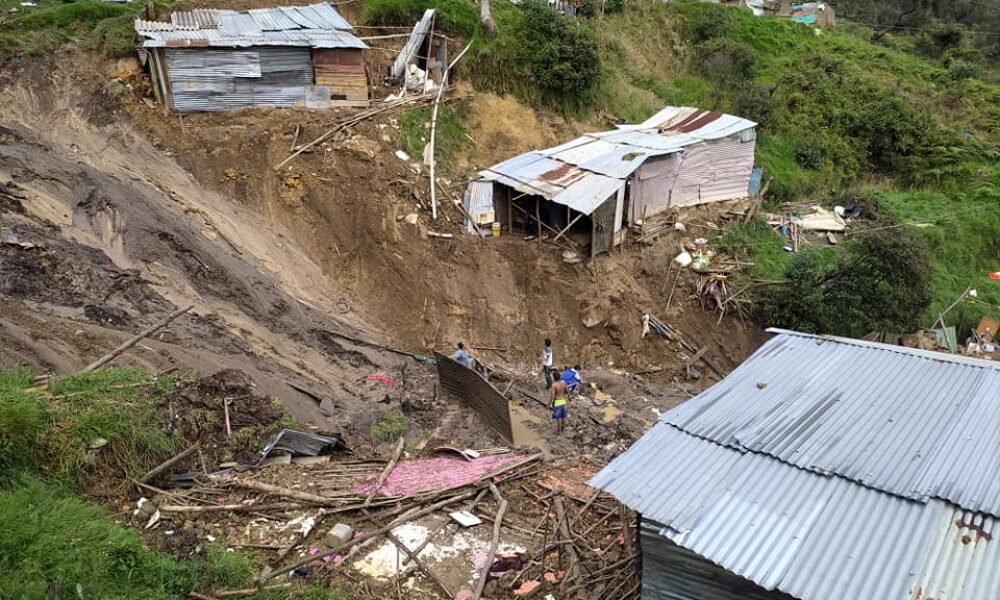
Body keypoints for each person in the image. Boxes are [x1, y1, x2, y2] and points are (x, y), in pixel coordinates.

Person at [549, 369, 569, 434]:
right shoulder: (563, 382)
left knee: (558, 418)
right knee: (563, 417)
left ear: (554, 377)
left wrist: (549, 404)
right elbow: (567, 391)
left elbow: (552, 397)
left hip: (557, 402)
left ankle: (559, 431)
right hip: (563, 401)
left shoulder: (554, 385)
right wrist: (569, 397)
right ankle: (563, 429)